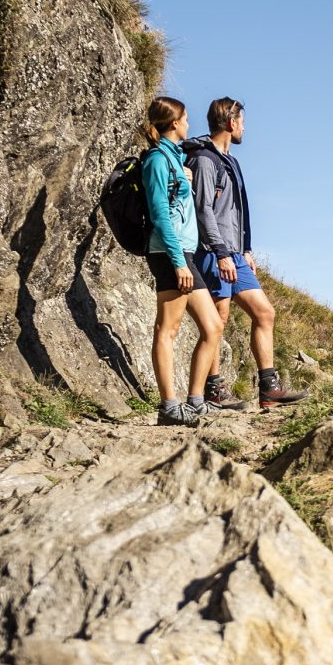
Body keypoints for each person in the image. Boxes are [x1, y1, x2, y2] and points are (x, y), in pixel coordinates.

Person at [187, 97, 308, 409]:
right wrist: (222, 252)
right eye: (241, 122)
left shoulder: (230, 161)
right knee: (218, 319)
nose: (244, 128)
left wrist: (246, 250)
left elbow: (237, 211)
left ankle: (269, 389)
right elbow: (204, 212)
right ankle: (214, 390)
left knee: (265, 313)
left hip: (237, 253)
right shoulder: (203, 160)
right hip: (214, 252)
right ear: (230, 123)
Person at [139, 95, 223, 426]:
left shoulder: (174, 159)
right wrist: (178, 262)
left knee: (213, 327)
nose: (189, 124)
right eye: (186, 118)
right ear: (175, 123)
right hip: (168, 252)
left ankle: (196, 400)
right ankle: (169, 407)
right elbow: (160, 214)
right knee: (168, 328)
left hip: (183, 252)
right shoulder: (157, 161)